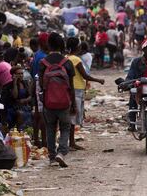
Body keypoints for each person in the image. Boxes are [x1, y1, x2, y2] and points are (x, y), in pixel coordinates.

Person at [39, 33, 75, 167]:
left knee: (50, 128)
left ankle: (52, 157)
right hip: (64, 101)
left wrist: (39, 104)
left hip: (48, 102)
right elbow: (71, 85)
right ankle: (62, 152)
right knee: (65, 128)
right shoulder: (67, 62)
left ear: (48, 45)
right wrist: (74, 104)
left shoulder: (43, 63)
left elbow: (40, 85)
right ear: (62, 45)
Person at [66, 37, 105, 150]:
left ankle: (70, 141)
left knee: (71, 116)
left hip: (71, 88)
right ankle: (71, 143)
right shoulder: (76, 60)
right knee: (73, 117)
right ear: (77, 47)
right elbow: (84, 75)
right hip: (77, 89)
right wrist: (98, 80)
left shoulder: (67, 58)